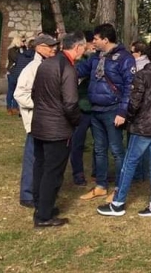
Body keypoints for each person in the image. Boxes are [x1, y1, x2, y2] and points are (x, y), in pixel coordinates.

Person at [97, 39, 151, 218]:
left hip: (142, 127)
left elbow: (134, 103)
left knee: (129, 163)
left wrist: (130, 117)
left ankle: (118, 203)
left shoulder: (143, 75)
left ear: (149, 54)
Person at [30, 32, 86, 227]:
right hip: (57, 128)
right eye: (83, 48)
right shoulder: (68, 68)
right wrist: (77, 121)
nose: (84, 52)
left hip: (40, 124)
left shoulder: (46, 63)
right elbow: (70, 103)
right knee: (53, 172)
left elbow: (34, 92)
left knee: (41, 166)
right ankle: (44, 216)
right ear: (77, 47)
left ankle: (41, 205)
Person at [76, 24, 136, 203]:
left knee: (117, 151)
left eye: (95, 39)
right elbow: (80, 70)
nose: (93, 42)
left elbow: (130, 87)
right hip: (96, 110)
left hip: (113, 111)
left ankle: (119, 188)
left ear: (105, 39)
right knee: (99, 149)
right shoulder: (95, 57)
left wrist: (122, 112)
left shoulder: (125, 58)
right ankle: (101, 186)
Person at [13, 33, 60, 208]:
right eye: (49, 46)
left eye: (54, 46)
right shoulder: (32, 68)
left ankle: (37, 192)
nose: (53, 49)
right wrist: (41, 104)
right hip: (35, 120)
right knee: (33, 157)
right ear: (39, 48)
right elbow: (19, 94)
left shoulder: (45, 65)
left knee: (41, 158)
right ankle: (27, 194)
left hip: (44, 120)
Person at [70, 31, 96, 186]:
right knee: (77, 143)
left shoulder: (101, 59)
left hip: (97, 106)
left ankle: (98, 172)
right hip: (81, 106)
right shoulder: (79, 61)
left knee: (99, 143)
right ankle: (78, 173)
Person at [129, 39, 151, 182]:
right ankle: (144, 172)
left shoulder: (138, 67)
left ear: (139, 52)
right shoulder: (150, 65)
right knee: (147, 143)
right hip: (149, 109)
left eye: (132, 52)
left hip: (138, 107)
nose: (130, 54)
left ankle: (137, 173)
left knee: (135, 142)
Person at [6, 35, 27, 115]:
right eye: (22, 41)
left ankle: (15, 107)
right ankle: (9, 107)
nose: (23, 43)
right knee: (11, 90)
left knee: (17, 91)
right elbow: (17, 59)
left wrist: (24, 49)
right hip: (12, 72)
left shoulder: (22, 50)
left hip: (20, 72)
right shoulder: (12, 50)